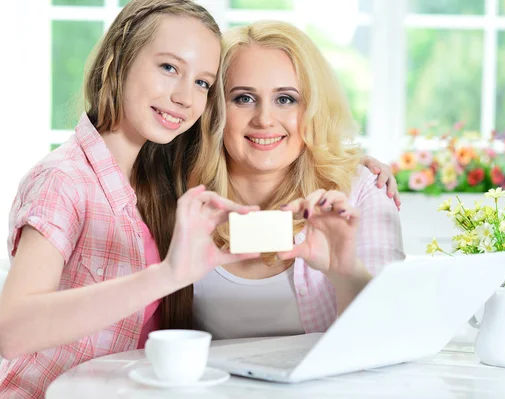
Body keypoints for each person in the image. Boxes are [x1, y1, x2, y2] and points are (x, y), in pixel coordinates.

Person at [0, 1, 258, 397]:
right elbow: (12, 331)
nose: (185, 98)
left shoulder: (163, 182)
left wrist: (358, 166)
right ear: (120, 58)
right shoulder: (63, 179)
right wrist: (167, 275)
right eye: (169, 68)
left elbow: (263, 154)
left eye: (202, 83)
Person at [135, 20, 406, 339]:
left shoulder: (361, 191)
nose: (264, 119)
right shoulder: (174, 193)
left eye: (286, 99)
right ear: (216, 110)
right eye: (244, 98)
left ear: (313, 110)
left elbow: (387, 337)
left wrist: (343, 272)